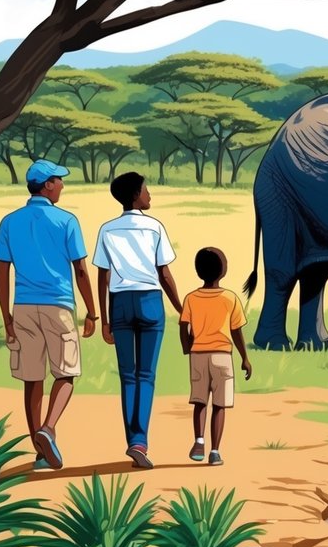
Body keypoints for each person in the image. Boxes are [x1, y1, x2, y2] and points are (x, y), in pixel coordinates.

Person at [0, 159, 100, 471]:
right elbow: (80, 270)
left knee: (32, 378)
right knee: (66, 373)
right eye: (59, 180)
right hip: (59, 305)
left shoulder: (9, 221)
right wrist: (92, 312)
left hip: (23, 307)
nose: (62, 186)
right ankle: (49, 428)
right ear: (48, 185)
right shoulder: (67, 221)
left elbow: (2, 274)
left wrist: (6, 318)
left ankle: (39, 452)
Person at [94, 171, 183, 469]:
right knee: (146, 375)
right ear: (135, 195)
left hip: (119, 303)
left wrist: (104, 318)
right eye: (146, 190)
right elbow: (165, 274)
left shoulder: (107, 229)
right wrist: (182, 308)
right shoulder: (154, 227)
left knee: (127, 377)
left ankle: (134, 439)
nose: (149, 195)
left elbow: (102, 276)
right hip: (149, 302)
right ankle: (139, 441)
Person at [179, 247, 252, 466]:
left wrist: (187, 347)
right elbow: (237, 331)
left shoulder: (191, 298)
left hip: (198, 354)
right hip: (222, 355)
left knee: (200, 402)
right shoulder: (230, 298)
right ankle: (215, 451)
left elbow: (184, 326)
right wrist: (244, 358)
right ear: (223, 270)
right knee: (219, 405)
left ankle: (199, 441)